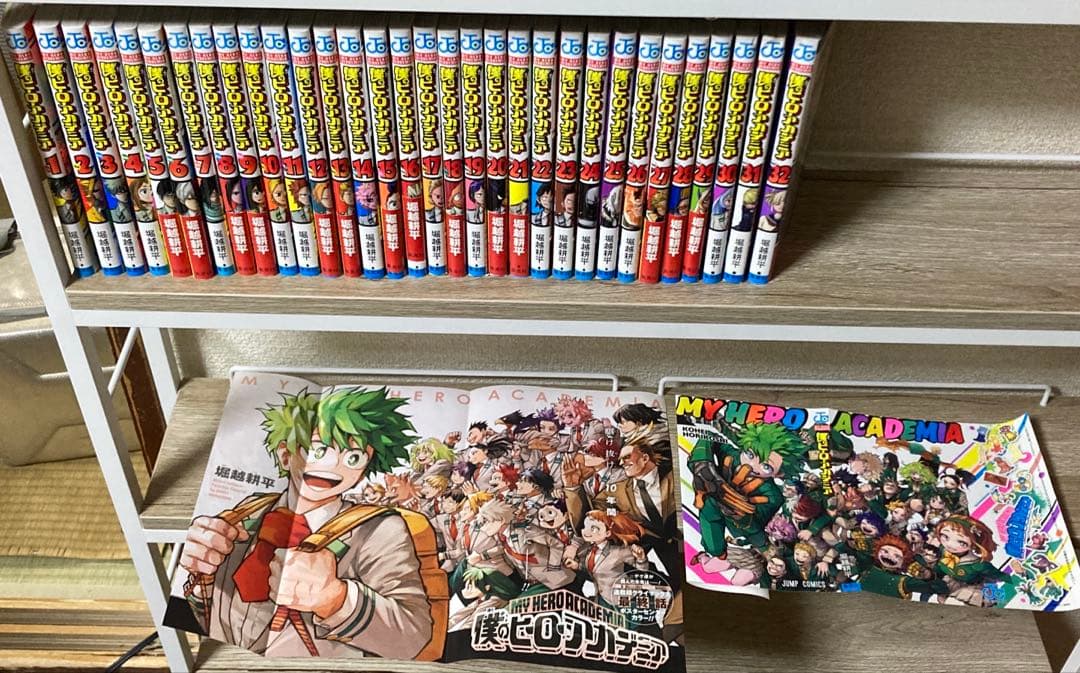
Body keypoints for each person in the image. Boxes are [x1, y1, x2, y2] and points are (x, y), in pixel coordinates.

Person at [173, 387, 436, 658]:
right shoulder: (249, 511)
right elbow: (210, 616)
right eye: (319, 451)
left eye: (353, 458)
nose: (332, 466)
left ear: (363, 471)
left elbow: (414, 635)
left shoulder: (379, 530)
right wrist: (199, 576)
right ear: (285, 455)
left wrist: (337, 599)